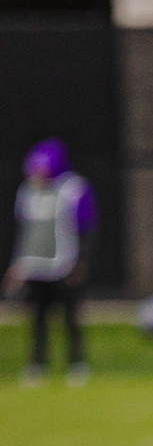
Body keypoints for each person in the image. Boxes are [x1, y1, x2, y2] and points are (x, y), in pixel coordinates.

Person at [7, 139, 95, 387]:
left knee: (70, 318)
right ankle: (37, 364)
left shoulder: (73, 188)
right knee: (37, 319)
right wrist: (18, 265)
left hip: (65, 264)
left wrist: (81, 262)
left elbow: (86, 228)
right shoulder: (27, 192)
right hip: (36, 266)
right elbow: (24, 232)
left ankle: (76, 364)